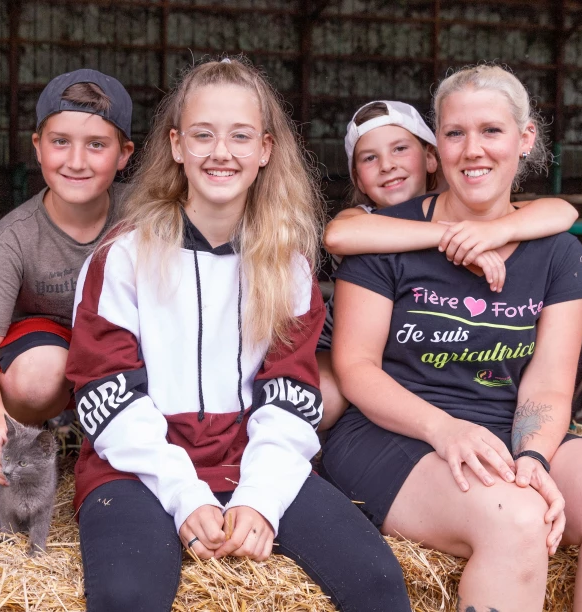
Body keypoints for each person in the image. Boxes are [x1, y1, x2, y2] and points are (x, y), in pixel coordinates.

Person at [66, 58, 413, 612]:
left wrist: (260, 498)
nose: (221, 152)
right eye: (203, 135)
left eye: (240, 136)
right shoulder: (123, 256)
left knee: (377, 582)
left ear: (266, 149)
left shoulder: (288, 264)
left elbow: (291, 395)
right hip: (138, 467)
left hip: (253, 456)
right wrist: (183, 495)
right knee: (126, 596)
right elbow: (106, 395)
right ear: (177, 146)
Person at [321, 65, 582, 612]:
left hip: (502, 428)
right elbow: (356, 368)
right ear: (438, 145)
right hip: (395, 432)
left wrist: (534, 457)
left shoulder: (556, 252)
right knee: (516, 519)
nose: (472, 149)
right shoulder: (385, 238)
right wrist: (445, 429)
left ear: (524, 140)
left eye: (491, 131)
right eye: (455, 133)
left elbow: (548, 382)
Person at [315, 100, 579, 430]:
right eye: (369, 158)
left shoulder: (471, 211)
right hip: (343, 345)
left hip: (418, 362)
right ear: (357, 177)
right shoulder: (364, 219)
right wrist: (451, 236)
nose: (387, 165)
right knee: (324, 401)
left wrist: (494, 231)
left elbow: (563, 211)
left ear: (431, 157)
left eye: (400, 149)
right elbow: (337, 235)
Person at [0, 69, 135, 486]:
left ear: (124, 154)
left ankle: (108, 439)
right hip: (53, 351)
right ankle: (35, 437)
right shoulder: (12, 239)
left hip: (126, 348)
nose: (76, 161)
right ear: (38, 147)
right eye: (60, 142)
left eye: (96, 145)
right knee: (36, 375)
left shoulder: (147, 216)